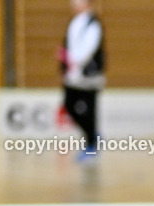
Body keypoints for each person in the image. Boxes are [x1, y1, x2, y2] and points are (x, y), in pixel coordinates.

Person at [59, 0, 104, 161]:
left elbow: (87, 50)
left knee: (90, 111)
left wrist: (72, 61)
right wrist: (65, 66)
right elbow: (69, 46)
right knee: (69, 106)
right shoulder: (74, 22)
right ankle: (92, 136)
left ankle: (91, 144)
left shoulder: (93, 24)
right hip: (73, 76)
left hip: (89, 77)